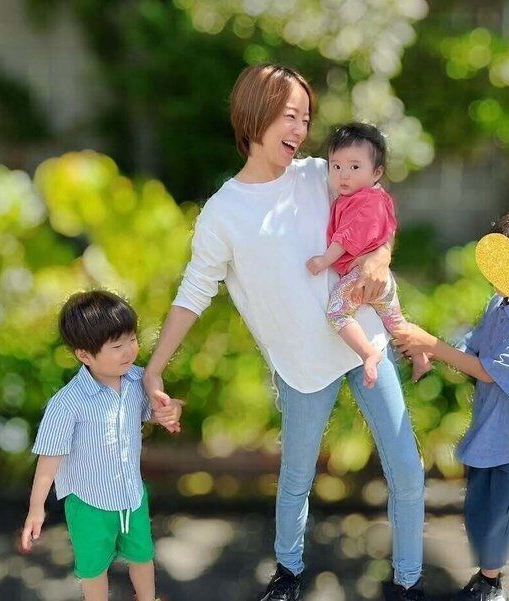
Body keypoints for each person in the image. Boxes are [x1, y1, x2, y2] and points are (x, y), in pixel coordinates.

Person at [144, 64, 428, 601]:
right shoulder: (223, 213)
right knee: (296, 479)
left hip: (364, 344)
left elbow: (375, 212)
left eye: (305, 118)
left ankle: (407, 585)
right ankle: (289, 574)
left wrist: (381, 258)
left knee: (407, 472)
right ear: (255, 114)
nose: (300, 130)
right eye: (290, 116)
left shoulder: (320, 173)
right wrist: (155, 368)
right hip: (301, 367)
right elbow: (192, 294)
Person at [394, 210, 509, 601]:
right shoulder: (499, 303)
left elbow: (490, 372)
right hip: (492, 430)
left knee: (495, 518)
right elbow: (472, 348)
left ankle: (489, 585)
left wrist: (431, 344)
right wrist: (431, 353)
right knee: (489, 508)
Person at [21, 290, 182, 601]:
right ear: (85, 355)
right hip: (89, 502)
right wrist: (36, 508)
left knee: (142, 555)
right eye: (117, 346)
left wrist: (170, 410)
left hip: (131, 495)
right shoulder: (68, 403)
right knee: (93, 568)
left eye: (132, 339)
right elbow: (49, 458)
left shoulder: (138, 380)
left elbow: (156, 411)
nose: (129, 350)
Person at [306, 122, 431, 386]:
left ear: (377, 172)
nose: (343, 175)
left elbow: (346, 237)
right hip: (383, 279)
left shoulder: (363, 202)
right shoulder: (377, 197)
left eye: (354, 167)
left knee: (337, 313)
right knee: (395, 321)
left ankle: (368, 353)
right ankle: (420, 357)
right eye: (336, 166)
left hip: (360, 276)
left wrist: (324, 261)